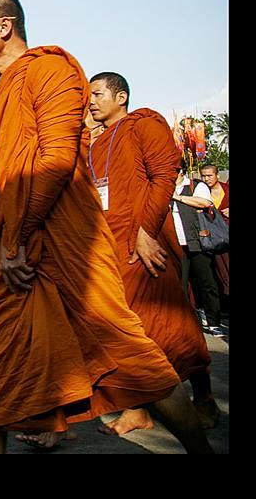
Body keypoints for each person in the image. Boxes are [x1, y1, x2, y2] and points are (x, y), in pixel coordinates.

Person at [0, 0, 211, 454]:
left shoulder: (50, 70)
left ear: (4, 26)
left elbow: (54, 160)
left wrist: (19, 238)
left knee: (127, 357)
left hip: (55, 243)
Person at [86, 73, 217, 434]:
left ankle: (203, 393)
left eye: (97, 94)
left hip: (146, 243)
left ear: (121, 96)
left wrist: (145, 233)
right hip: (113, 250)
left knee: (169, 324)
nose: (91, 101)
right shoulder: (96, 145)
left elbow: (164, 175)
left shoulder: (144, 123)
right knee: (129, 332)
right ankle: (138, 408)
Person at [171, 164, 225, 335]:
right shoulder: (165, 187)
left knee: (206, 282)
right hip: (177, 243)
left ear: (180, 170)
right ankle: (188, 322)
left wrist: (178, 197)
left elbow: (204, 202)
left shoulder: (195, 185)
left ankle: (213, 322)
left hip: (198, 241)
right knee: (180, 284)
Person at [200, 164, 230, 315]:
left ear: (217, 175)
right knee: (220, 274)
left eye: (209, 175)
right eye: (203, 176)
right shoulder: (200, 194)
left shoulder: (227, 190)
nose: (206, 179)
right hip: (215, 241)